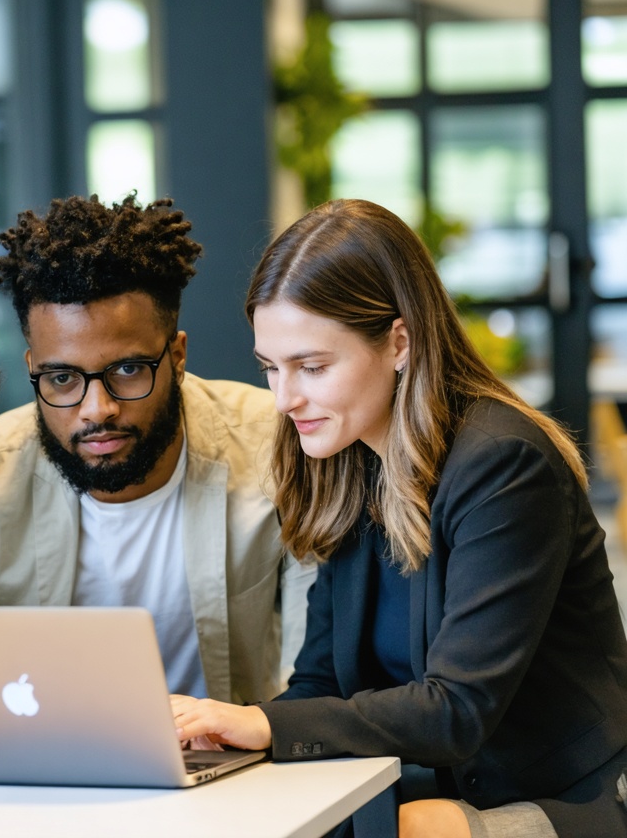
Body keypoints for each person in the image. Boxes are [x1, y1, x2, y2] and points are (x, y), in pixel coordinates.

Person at [172, 198, 627, 837]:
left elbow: (457, 710)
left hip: (568, 796)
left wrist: (266, 725)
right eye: (270, 368)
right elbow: (321, 683)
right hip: (432, 790)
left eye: (312, 366)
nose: (284, 398)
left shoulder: (505, 465)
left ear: (399, 341)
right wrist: (226, 745)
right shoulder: (346, 462)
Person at [0, 194, 312, 705]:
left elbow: (316, 681)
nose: (96, 408)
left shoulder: (278, 448)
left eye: (127, 369)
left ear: (179, 355)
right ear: (34, 366)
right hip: (40, 777)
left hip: (242, 769)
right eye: (61, 378)